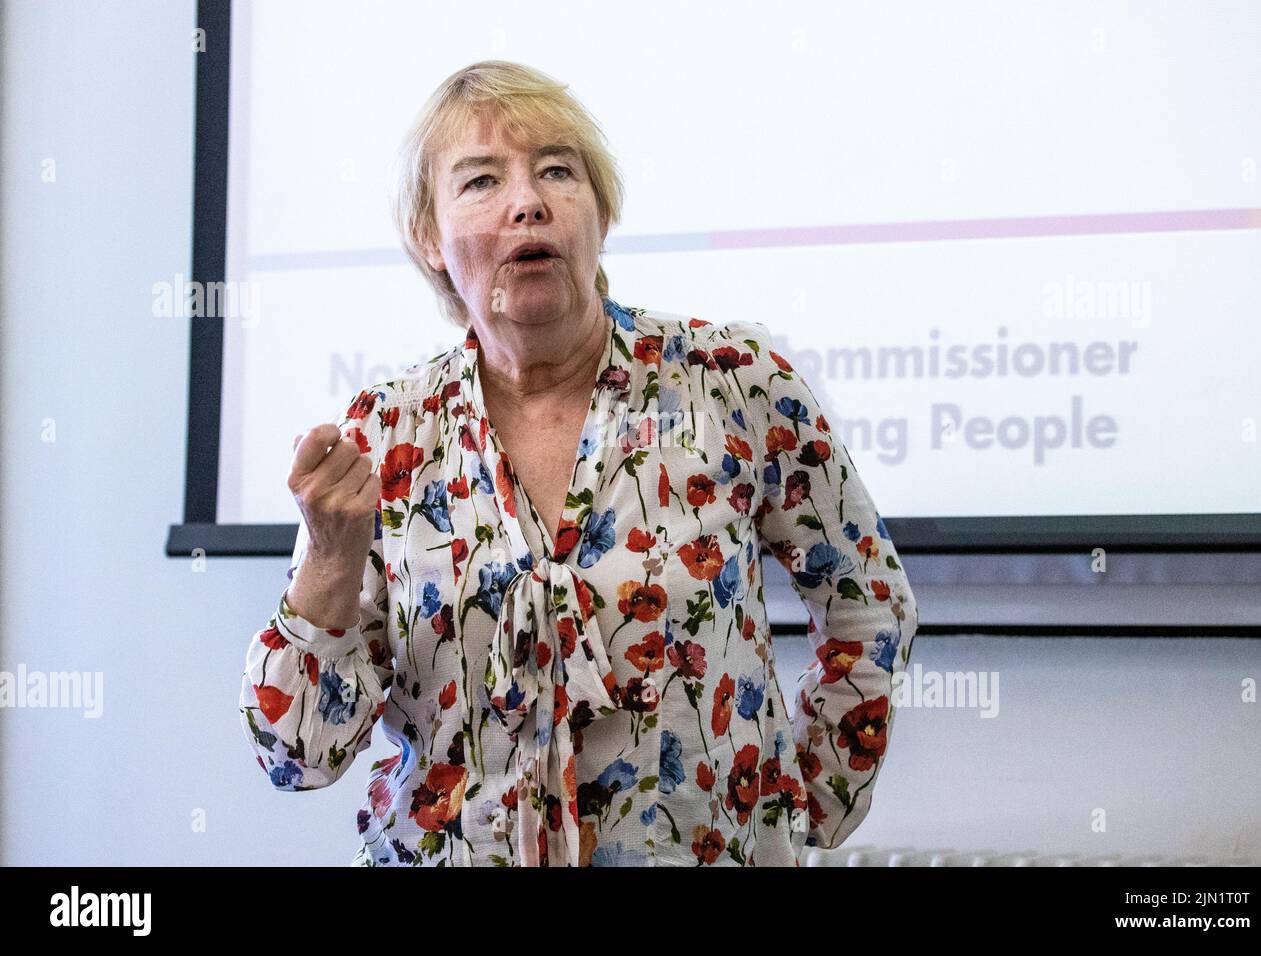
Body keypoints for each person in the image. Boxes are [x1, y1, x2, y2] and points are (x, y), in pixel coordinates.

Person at [238, 60, 919, 867]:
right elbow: (297, 756)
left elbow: (867, 606)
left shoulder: (733, 381)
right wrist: (327, 562)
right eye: (482, 180)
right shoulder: (386, 433)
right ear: (428, 237)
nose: (529, 199)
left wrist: (799, 811)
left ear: (600, 212)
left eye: (558, 170)